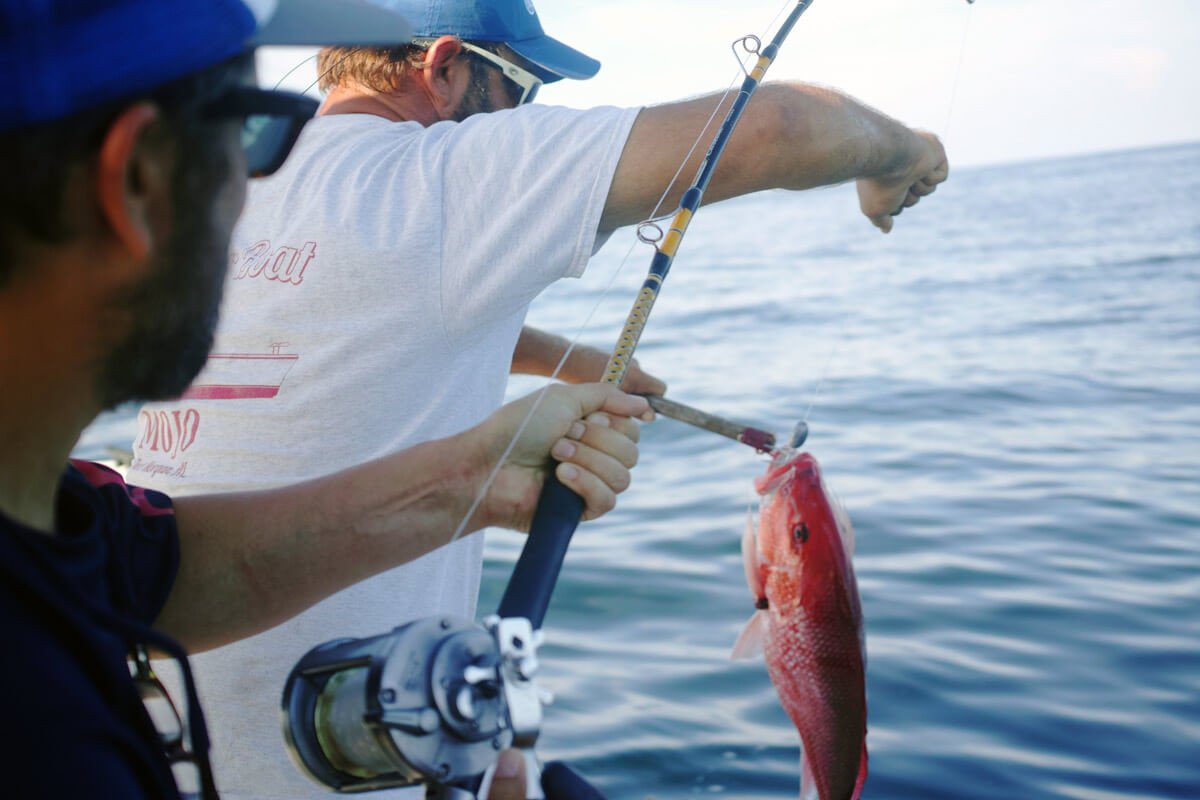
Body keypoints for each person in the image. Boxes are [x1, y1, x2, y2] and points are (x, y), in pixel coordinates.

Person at [130, 1, 950, 797]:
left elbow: (337, 314)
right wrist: (901, 157)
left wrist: (567, 359)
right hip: (342, 751)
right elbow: (778, 128)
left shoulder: (239, 180)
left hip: (145, 712)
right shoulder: (443, 173)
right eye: (522, 88)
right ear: (446, 67)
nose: (528, 112)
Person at [0, 2, 649, 799]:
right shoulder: (47, 743)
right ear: (137, 179)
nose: (258, 191)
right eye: (253, 132)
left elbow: (174, 570)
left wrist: (476, 478)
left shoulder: (65, 529)